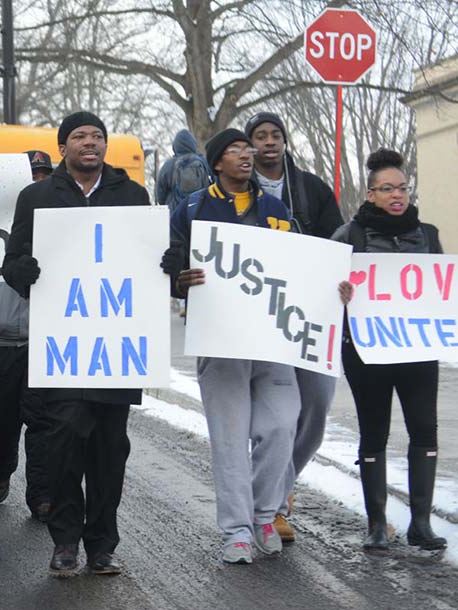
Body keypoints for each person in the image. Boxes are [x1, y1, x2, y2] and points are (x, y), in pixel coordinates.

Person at [4, 111, 152, 577]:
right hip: (63, 347)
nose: (91, 142)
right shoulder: (37, 197)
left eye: (98, 136)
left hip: (115, 350)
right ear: (63, 145)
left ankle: (103, 544)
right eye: (81, 136)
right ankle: (65, 541)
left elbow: (147, 261)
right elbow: (12, 261)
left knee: (111, 452)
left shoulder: (132, 195)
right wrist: (22, 272)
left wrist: (168, 260)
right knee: (64, 445)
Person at [163, 128, 319, 566]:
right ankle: (235, 531)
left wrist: (331, 287)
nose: (246, 155)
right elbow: (170, 262)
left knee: (282, 425)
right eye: (235, 150)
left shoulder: (273, 207)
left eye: (247, 149)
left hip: (272, 340)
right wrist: (181, 279)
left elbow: (299, 265)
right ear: (217, 162)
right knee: (230, 439)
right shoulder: (193, 208)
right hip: (221, 339)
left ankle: (264, 516)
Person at [333, 149, 446, 552]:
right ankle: (377, 525)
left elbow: (440, 289)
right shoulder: (350, 236)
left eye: (402, 188)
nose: (397, 195)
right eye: (387, 189)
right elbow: (322, 285)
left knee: (424, 429)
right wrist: (339, 292)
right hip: (367, 351)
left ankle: (420, 524)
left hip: (417, 350)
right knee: (374, 432)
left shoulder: (428, 235)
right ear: (371, 193)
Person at [244, 112, 345, 542]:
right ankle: (276, 502)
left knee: (317, 406)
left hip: (312, 313)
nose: (269, 142)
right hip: (262, 314)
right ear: (248, 146)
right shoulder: (239, 192)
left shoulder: (313, 189)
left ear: (285, 141)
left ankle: (283, 483)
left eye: (276, 134)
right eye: (260, 136)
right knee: (277, 416)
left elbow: (339, 242)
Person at [0, 153, 54, 520]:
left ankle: (41, 492)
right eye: (33, 176)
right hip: (0, 341)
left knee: (43, 420)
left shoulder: (65, 230)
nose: (39, 182)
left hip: (45, 341)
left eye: (45, 176)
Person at [153, 129, 211, 214]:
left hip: (175, 214)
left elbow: (160, 195)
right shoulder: (205, 162)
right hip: (202, 213)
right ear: (193, 144)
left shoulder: (169, 165)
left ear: (175, 146)